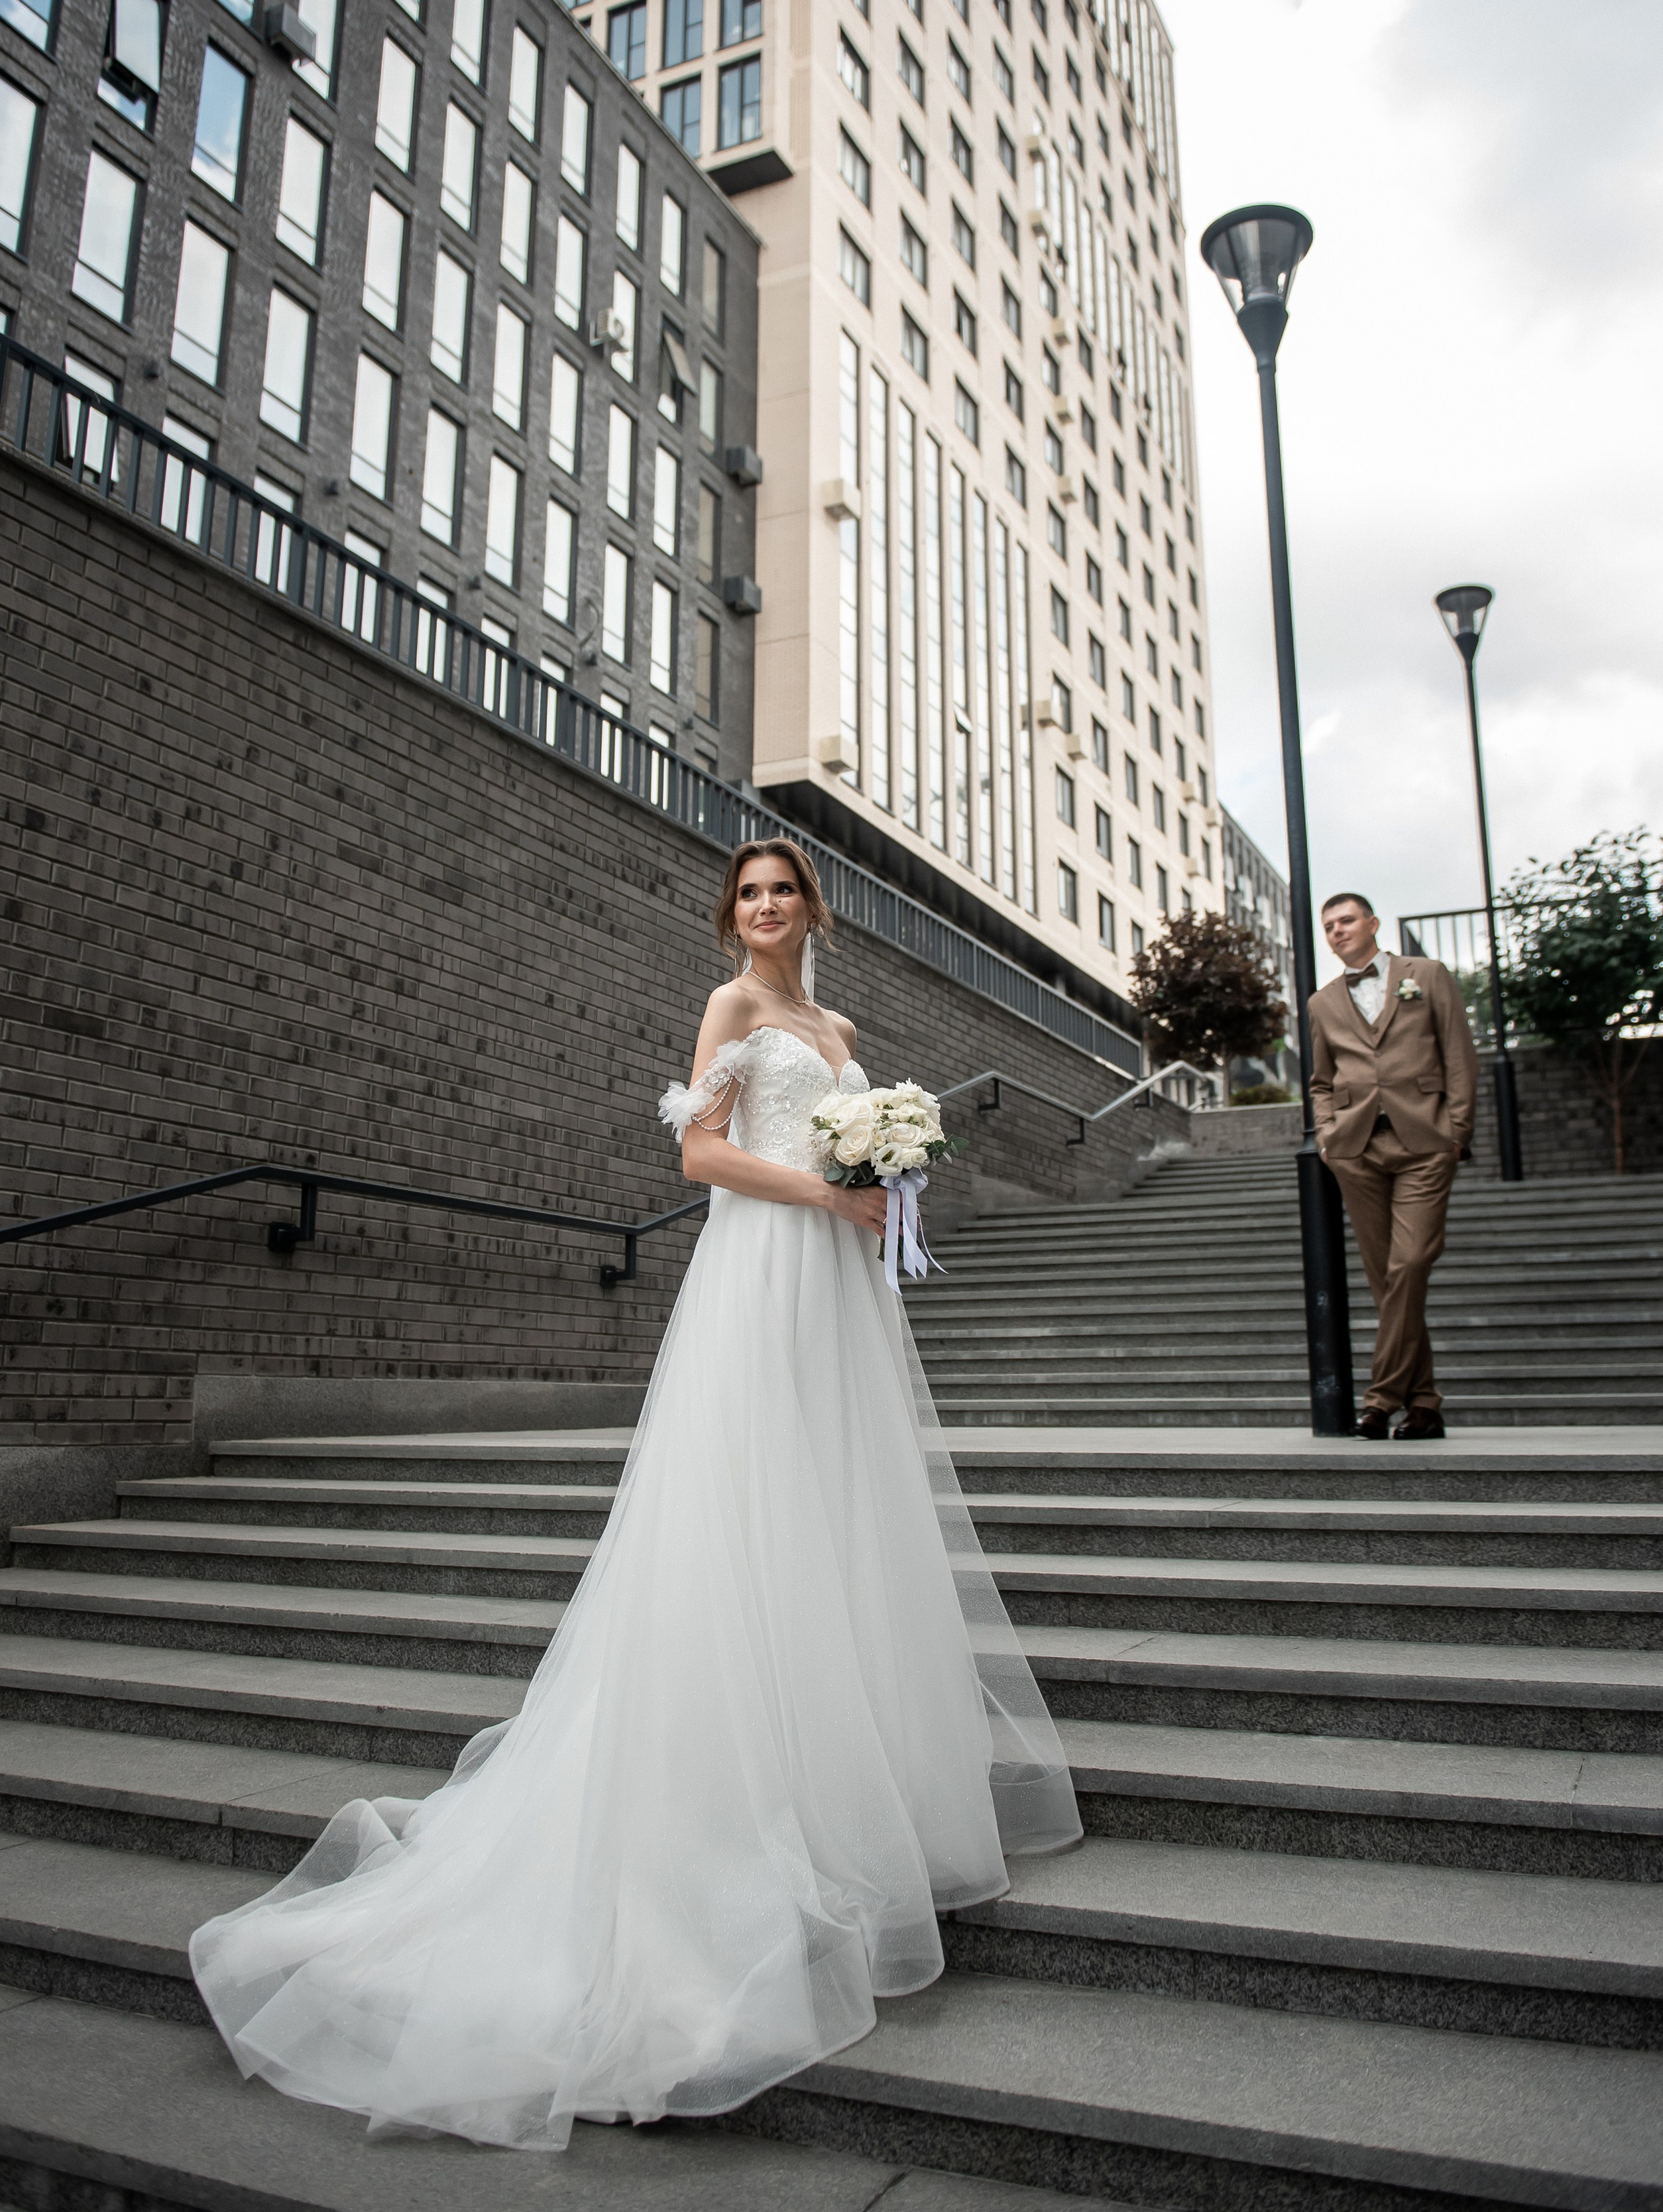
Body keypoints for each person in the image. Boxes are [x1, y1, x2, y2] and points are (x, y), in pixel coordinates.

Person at [190, 838, 1080, 2149]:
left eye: (780, 892)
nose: (764, 909)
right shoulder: (731, 1008)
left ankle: (840, 1792)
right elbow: (700, 1160)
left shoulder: (836, 1024)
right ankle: (718, 1819)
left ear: (808, 908)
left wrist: (885, 1188)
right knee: (743, 1512)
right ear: (733, 916)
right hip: (759, 1271)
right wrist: (830, 1194)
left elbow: (852, 1167)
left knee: (831, 1517)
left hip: (832, 1291)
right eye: (746, 895)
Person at [1310, 891, 1479, 1441]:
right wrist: (1328, 1136)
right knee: (1388, 1283)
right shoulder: (1322, 1002)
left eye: (1348, 919)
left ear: (1373, 922)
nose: (1338, 930)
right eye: (1329, 924)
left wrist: (1457, 1130)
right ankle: (1425, 1406)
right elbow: (1320, 1080)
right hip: (1357, 1150)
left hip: (1425, 1141)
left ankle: (1381, 1399)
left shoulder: (1425, 975)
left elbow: (1459, 1053)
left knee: (1409, 1265)